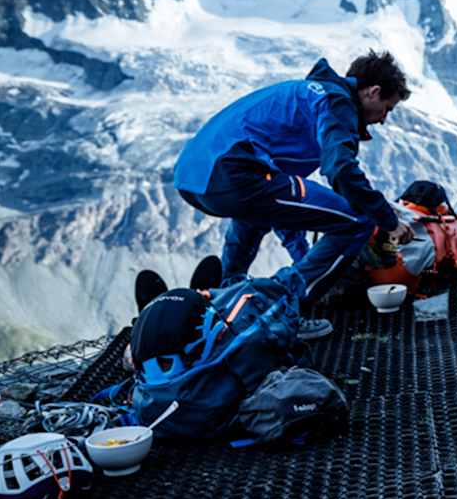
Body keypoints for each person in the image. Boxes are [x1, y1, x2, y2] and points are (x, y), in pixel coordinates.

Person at [173, 52, 415, 330]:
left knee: (257, 212)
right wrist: (388, 220)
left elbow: (282, 209)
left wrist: (304, 258)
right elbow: (341, 170)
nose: (383, 119)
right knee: (357, 221)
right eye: (388, 107)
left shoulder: (307, 97)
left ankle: (228, 297)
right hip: (234, 173)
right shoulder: (336, 103)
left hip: (194, 179)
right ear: (373, 92)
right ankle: (281, 309)